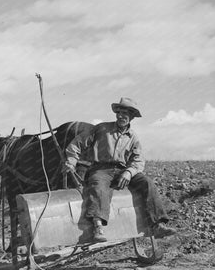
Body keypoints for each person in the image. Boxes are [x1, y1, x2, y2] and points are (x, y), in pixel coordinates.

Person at [63, 97, 176, 243]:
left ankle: (157, 225)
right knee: (98, 186)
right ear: (116, 114)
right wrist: (71, 161)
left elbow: (138, 160)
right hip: (101, 169)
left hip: (123, 170)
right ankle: (98, 227)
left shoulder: (133, 137)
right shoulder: (102, 129)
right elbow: (76, 144)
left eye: (127, 113)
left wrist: (129, 173)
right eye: (120, 112)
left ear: (132, 117)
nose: (122, 116)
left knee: (146, 183)